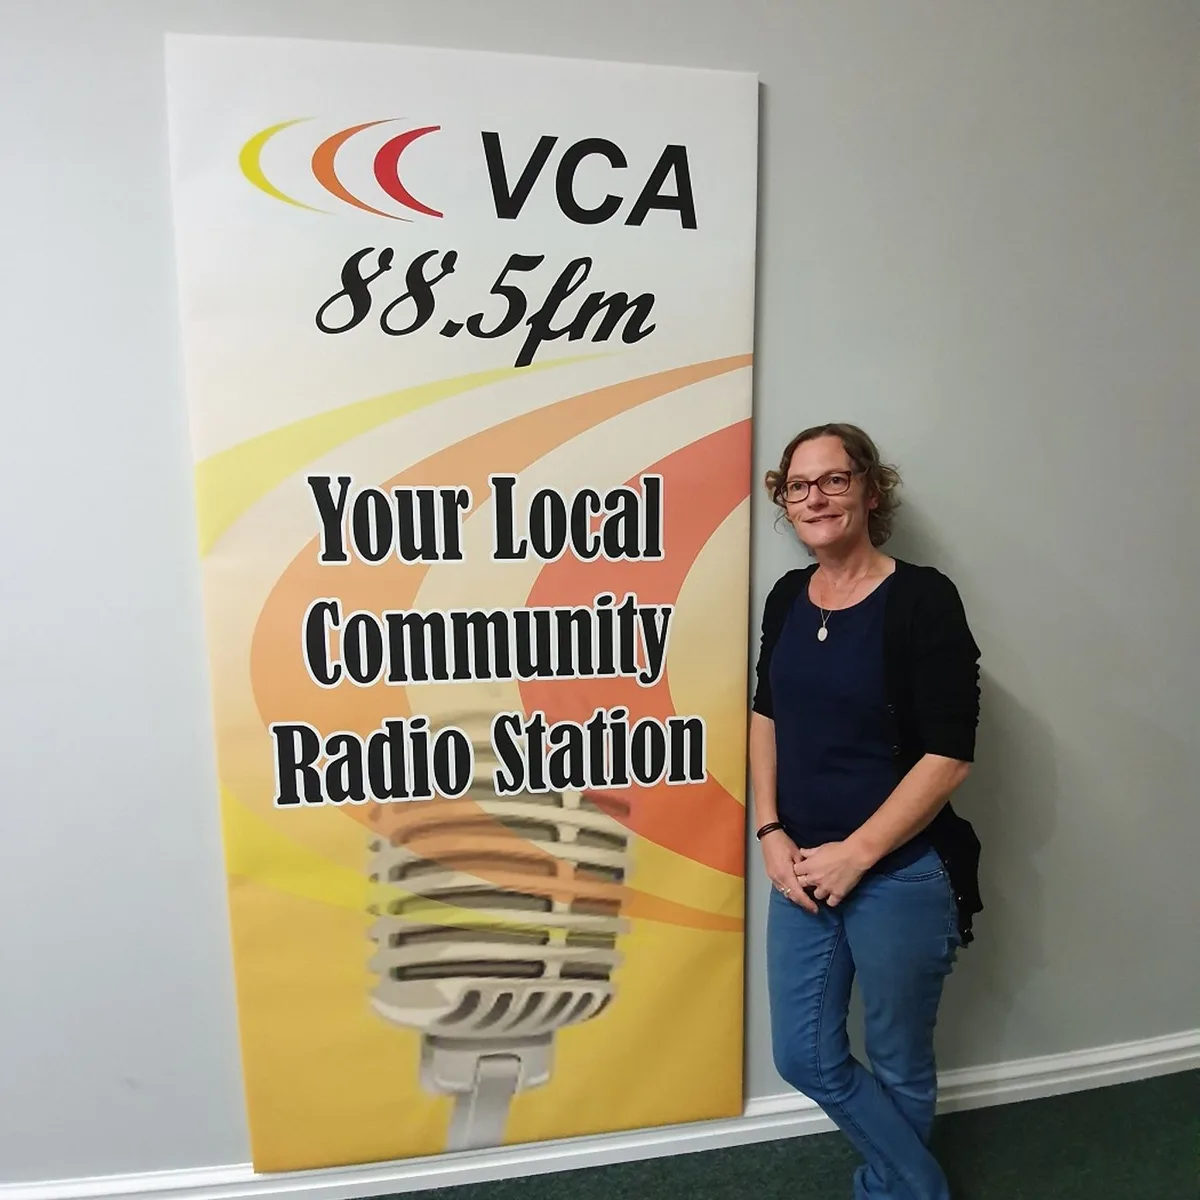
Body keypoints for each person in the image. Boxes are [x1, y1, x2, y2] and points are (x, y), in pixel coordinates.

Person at [750, 423, 982, 1200]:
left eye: (834, 479)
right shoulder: (787, 597)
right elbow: (765, 714)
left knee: (898, 1058)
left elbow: (949, 754)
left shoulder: (923, 599)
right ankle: (922, 1190)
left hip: (900, 873)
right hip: (799, 865)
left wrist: (857, 853)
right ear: (785, 501)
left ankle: (894, 1193)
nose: (814, 497)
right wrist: (769, 828)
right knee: (803, 1055)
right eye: (798, 485)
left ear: (871, 491)